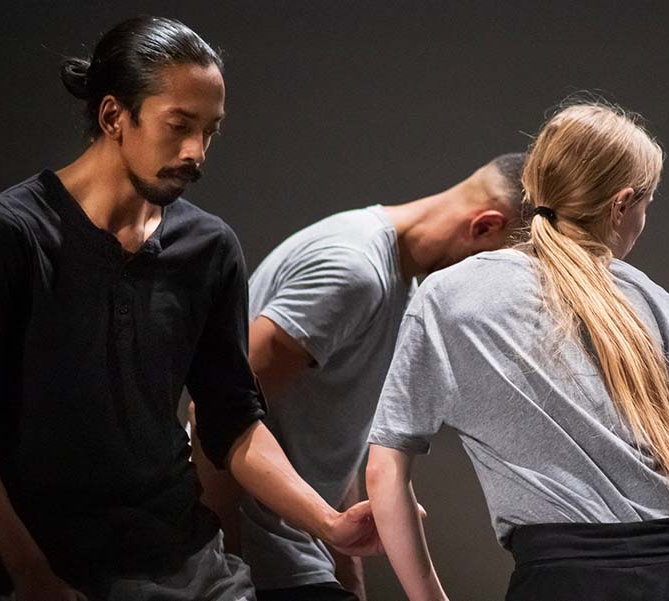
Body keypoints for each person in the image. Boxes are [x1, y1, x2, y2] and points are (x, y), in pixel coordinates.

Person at [0, 16, 380, 601]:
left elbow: (232, 419)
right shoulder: (8, 233)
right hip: (56, 567)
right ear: (114, 116)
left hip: (188, 562)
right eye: (179, 126)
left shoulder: (209, 248)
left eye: (210, 131)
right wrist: (28, 569)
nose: (197, 153)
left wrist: (331, 523)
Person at [364, 103, 669, 601]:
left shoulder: (452, 297)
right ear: (622, 203)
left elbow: (385, 469)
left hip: (569, 582)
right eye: (648, 205)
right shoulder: (659, 306)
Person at [191, 154, 526, 601]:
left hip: (297, 561)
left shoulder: (397, 286)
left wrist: (350, 581)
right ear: (485, 226)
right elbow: (213, 412)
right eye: (502, 269)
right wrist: (221, 578)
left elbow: (335, 442)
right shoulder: (355, 272)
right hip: (257, 569)